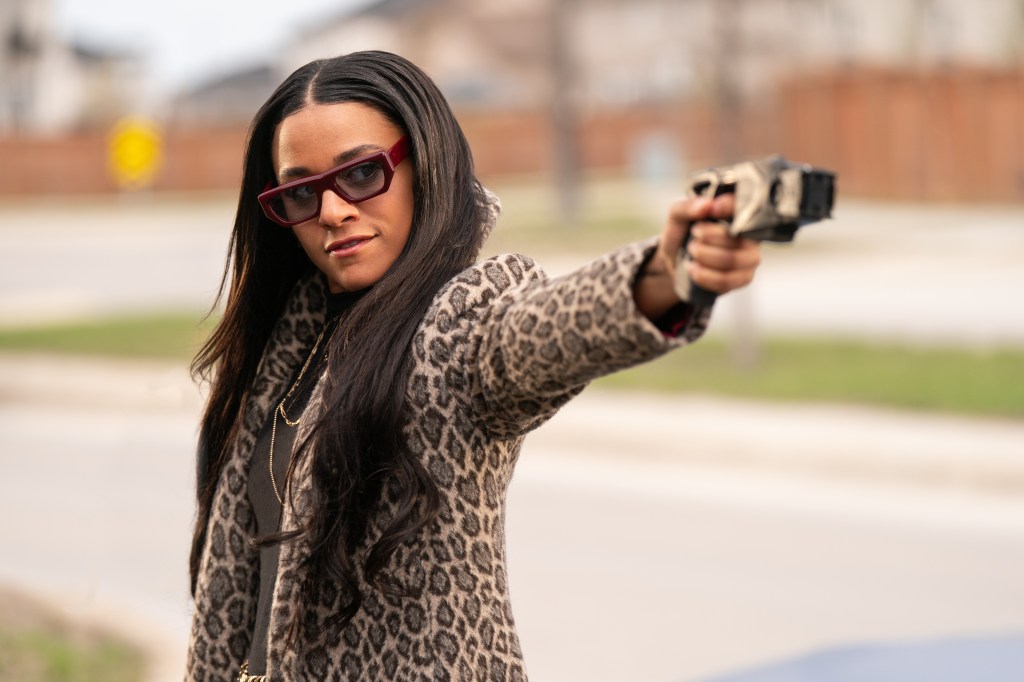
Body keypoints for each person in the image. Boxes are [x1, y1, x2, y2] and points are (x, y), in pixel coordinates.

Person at [186, 50, 760, 681]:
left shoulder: (453, 326)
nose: (332, 211)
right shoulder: (282, 346)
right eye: (301, 191)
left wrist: (661, 281)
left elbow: (540, 332)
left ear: (425, 163)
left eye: (362, 174)